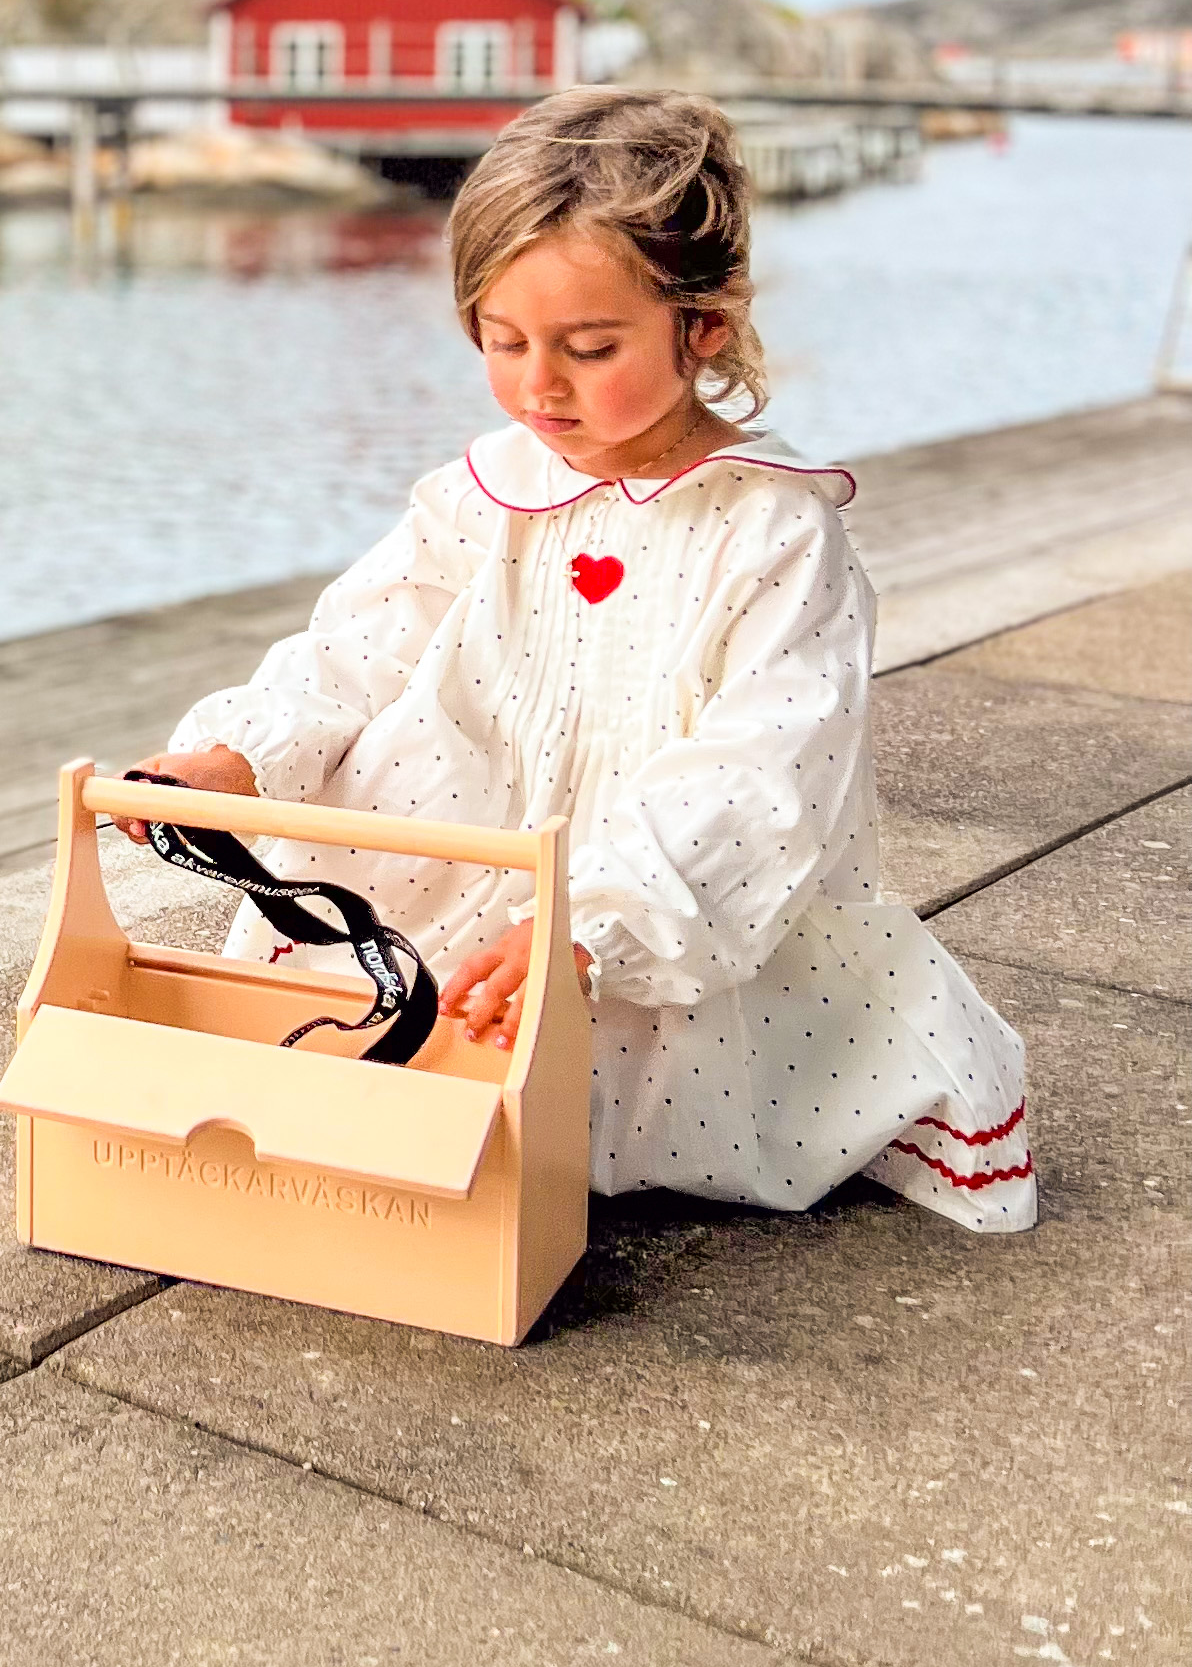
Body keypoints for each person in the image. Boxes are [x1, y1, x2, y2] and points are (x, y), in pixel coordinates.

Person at [122, 86, 1035, 1230]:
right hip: (463, 857)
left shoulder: (773, 533)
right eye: (502, 343)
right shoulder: (485, 491)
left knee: (592, 1093)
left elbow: (763, 770)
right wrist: (243, 756)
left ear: (701, 326)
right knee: (370, 1032)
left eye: (589, 347)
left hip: (660, 905)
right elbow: (362, 642)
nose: (538, 386)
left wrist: (593, 925)